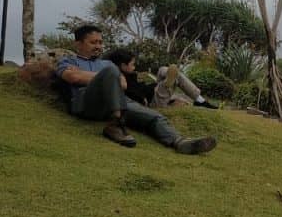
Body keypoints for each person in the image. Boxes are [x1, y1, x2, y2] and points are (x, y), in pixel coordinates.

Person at [55, 25, 217, 153]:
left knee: (155, 116)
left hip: (118, 100)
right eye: (93, 42)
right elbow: (73, 77)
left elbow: (123, 84)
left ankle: (180, 142)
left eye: (100, 42)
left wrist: (96, 77)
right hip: (86, 103)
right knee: (110, 73)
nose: (98, 46)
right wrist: (105, 77)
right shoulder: (68, 60)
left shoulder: (106, 63)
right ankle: (115, 125)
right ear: (78, 44)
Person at [103, 48, 220, 110]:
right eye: (132, 64)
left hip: (153, 92)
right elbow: (131, 94)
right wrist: (144, 99)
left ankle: (169, 77)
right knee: (173, 77)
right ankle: (200, 100)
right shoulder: (121, 77)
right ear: (123, 65)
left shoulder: (128, 74)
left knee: (162, 70)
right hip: (154, 102)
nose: (135, 66)